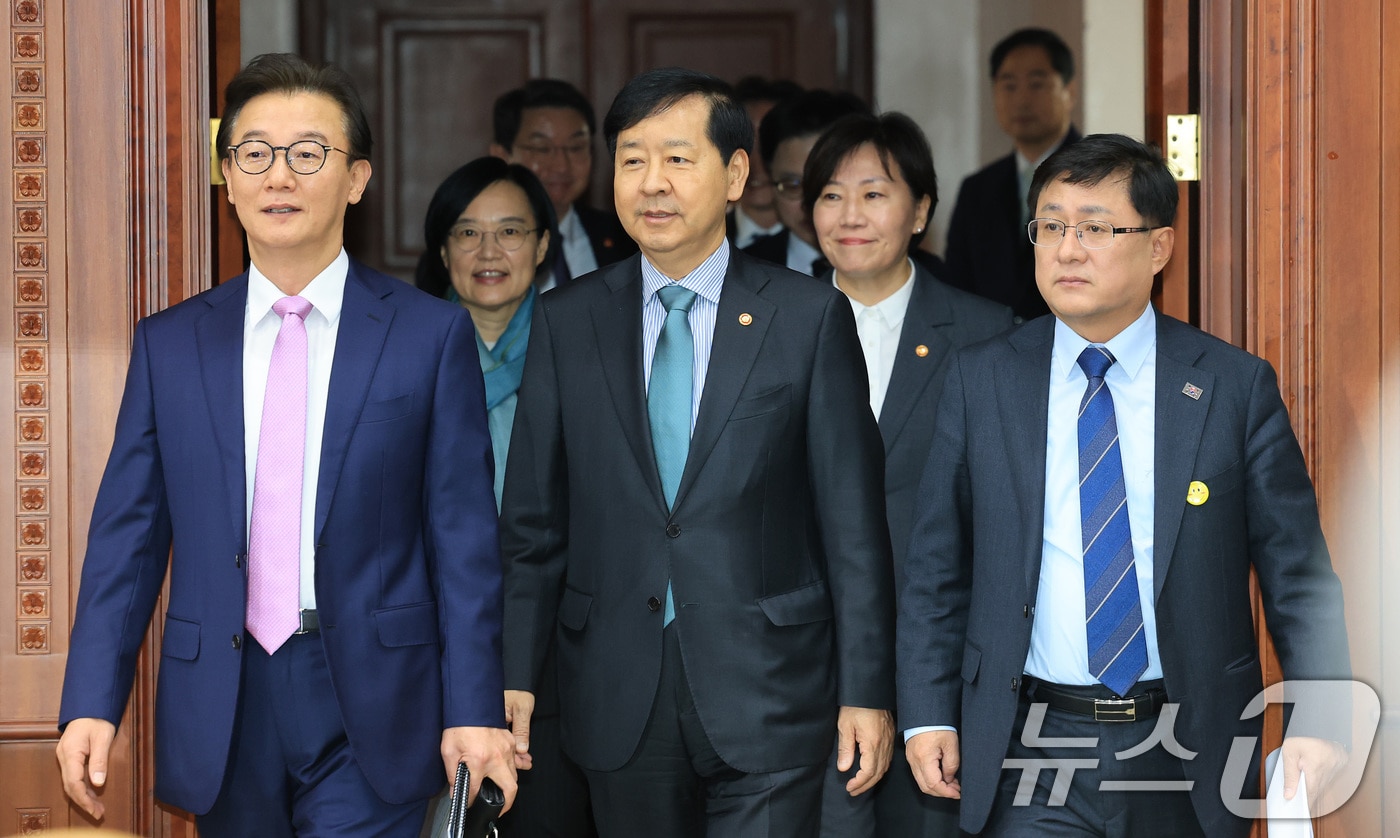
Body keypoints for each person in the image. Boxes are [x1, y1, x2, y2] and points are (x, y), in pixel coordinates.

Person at [54, 53, 516, 836]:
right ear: (226, 179)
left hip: (377, 695)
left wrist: (475, 708)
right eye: (254, 154)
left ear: (357, 179)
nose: (279, 177)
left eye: (308, 154)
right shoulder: (172, 345)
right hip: (225, 698)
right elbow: (127, 539)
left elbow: (463, 538)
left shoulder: (427, 336)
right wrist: (92, 702)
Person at [898, 134, 1351, 837]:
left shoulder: (1232, 386)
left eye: (1096, 228)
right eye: (1050, 226)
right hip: (1031, 742)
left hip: (1184, 742)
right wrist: (927, 710)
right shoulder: (981, 378)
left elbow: (1298, 576)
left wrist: (1320, 717)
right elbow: (936, 566)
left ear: (1160, 247)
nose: (1068, 249)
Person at [500, 66, 896, 837]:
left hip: (772, 686)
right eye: (633, 158)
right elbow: (532, 527)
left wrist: (867, 690)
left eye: (678, 159)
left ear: (735, 172)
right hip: (615, 682)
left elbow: (853, 527)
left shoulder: (807, 318)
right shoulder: (566, 321)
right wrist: (514, 674)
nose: (653, 183)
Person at [804, 111, 1013, 837]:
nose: (850, 215)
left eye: (874, 193)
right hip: (798, 666)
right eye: (831, 195)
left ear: (921, 209)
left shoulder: (988, 334)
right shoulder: (766, 322)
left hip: (940, 672)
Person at [414, 157, 596, 838]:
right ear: (441, 249)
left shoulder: (588, 355)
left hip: (556, 663)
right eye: (467, 233)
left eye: (512, 231)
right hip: (427, 657)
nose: (489, 252)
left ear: (545, 246)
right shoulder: (402, 355)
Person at [944, 27, 1081, 321]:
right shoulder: (977, 188)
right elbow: (958, 286)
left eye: (1036, 84)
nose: (1022, 100)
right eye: (1008, 85)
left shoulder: (1097, 177)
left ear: (1069, 91)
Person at [490, 78, 637, 288]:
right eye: (542, 149)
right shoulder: (473, 245)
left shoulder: (627, 237)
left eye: (576, 147)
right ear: (502, 156)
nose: (561, 166)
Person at [742, 89, 869, 275]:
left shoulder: (923, 275)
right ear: (771, 180)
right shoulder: (740, 273)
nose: (810, 203)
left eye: (829, 185)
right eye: (794, 185)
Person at [727, 75, 802, 248]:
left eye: (768, 140)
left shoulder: (823, 246)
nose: (756, 160)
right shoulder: (704, 242)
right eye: (746, 139)